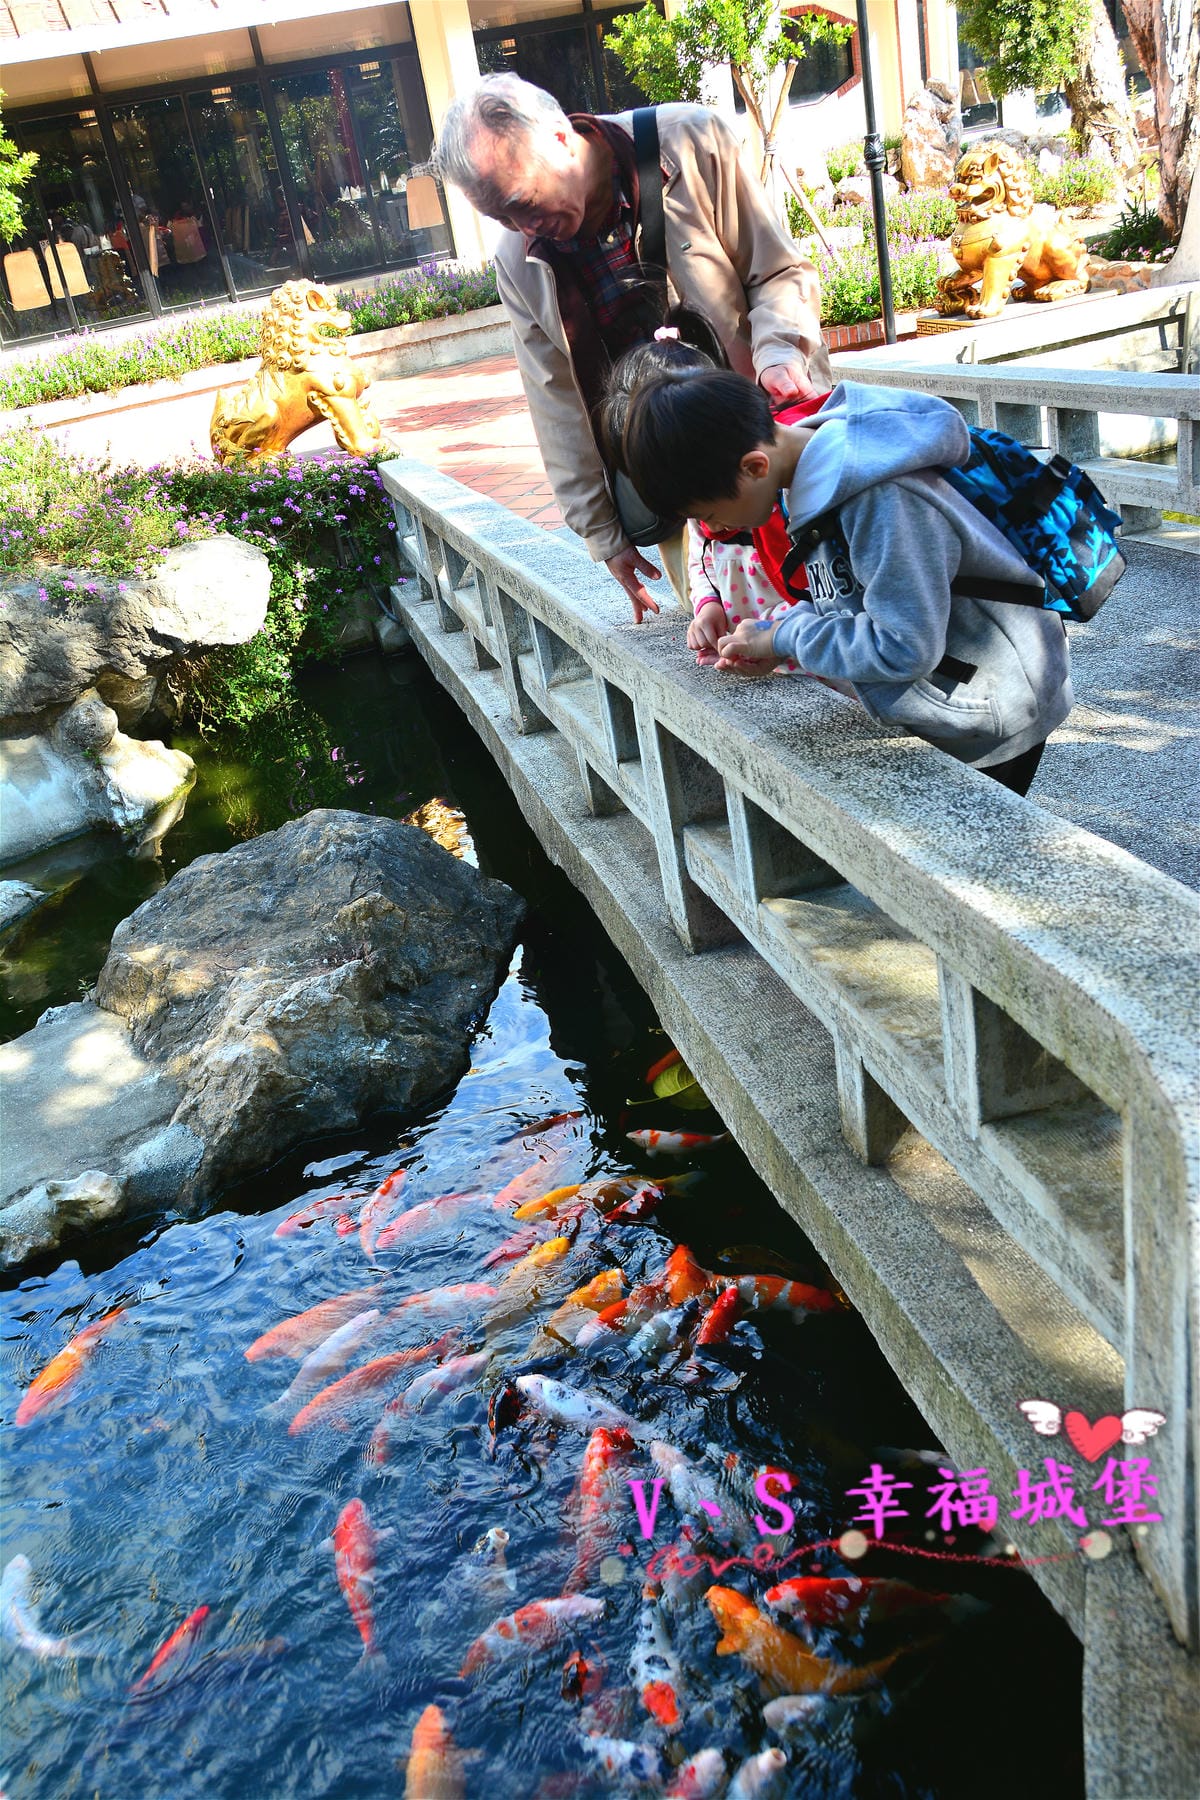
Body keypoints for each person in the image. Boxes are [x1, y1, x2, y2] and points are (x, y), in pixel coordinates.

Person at [434, 74, 832, 623]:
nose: (523, 226)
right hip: (673, 483)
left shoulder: (692, 141)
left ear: (558, 135)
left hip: (766, 436)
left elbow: (778, 271)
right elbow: (555, 400)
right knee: (730, 631)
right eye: (501, 218)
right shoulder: (517, 257)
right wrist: (603, 533)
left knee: (837, 604)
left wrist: (780, 352)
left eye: (521, 202)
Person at [617, 369, 1073, 793]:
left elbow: (903, 646)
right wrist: (774, 637)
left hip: (992, 708)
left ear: (754, 467)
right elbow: (852, 595)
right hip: (954, 688)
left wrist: (788, 636)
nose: (713, 531)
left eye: (710, 515)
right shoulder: (807, 474)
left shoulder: (879, 501)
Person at [600, 305, 828, 674]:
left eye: (705, 515)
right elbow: (702, 559)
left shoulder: (784, 496)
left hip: (815, 660)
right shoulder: (719, 493)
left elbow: (831, 603)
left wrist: (776, 637)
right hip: (772, 653)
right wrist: (709, 604)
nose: (709, 527)